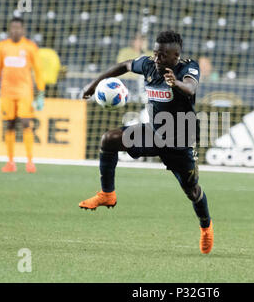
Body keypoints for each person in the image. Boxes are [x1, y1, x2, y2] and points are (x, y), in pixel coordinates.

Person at [79, 30, 214, 254]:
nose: (157, 59)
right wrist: (94, 85)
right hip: (154, 133)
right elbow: (124, 65)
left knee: (192, 190)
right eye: (155, 53)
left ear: (175, 55)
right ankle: (107, 194)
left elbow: (191, 87)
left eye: (163, 55)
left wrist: (176, 83)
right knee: (109, 140)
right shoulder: (149, 65)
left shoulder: (188, 68)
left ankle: (206, 226)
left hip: (180, 140)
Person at [0, 17, 45, 173]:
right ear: (9, 29)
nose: (15, 30)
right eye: (13, 27)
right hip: (6, 92)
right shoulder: (2, 46)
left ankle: (30, 162)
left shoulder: (30, 47)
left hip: (25, 91)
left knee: (26, 123)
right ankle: (10, 162)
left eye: (18, 27)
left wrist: (41, 92)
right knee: (10, 124)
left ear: (23, 30)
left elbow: (38, 70)